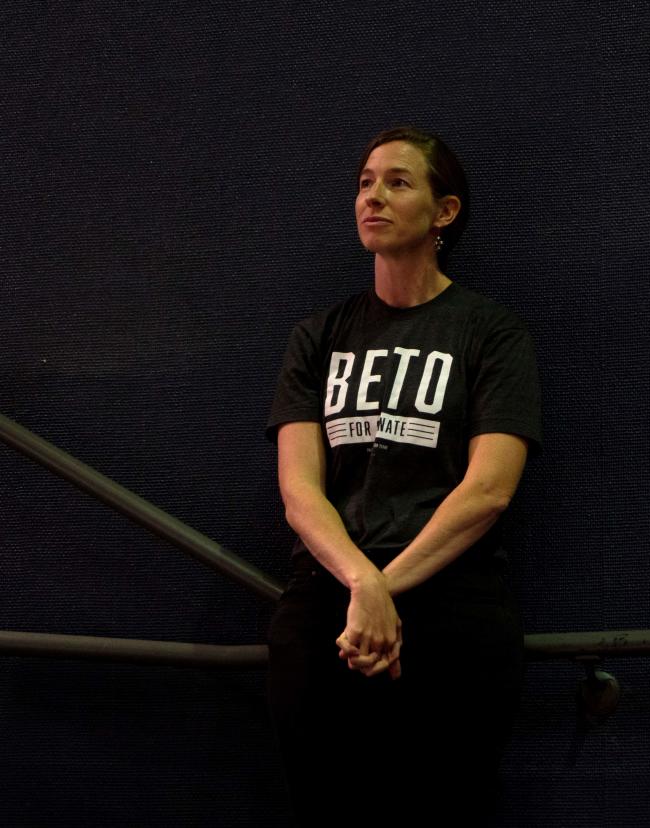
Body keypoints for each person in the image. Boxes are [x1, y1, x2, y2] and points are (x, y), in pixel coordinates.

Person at [264, 126, 541, 826]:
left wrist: (387, 588)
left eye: (396, 182)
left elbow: (489, 490)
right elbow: (300, 491)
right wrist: (363, 584)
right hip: (330, 611)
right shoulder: (317, 337)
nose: (372, 197)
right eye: (364, 182)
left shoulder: (490, 333)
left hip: (452, 612)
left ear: (443, 212)